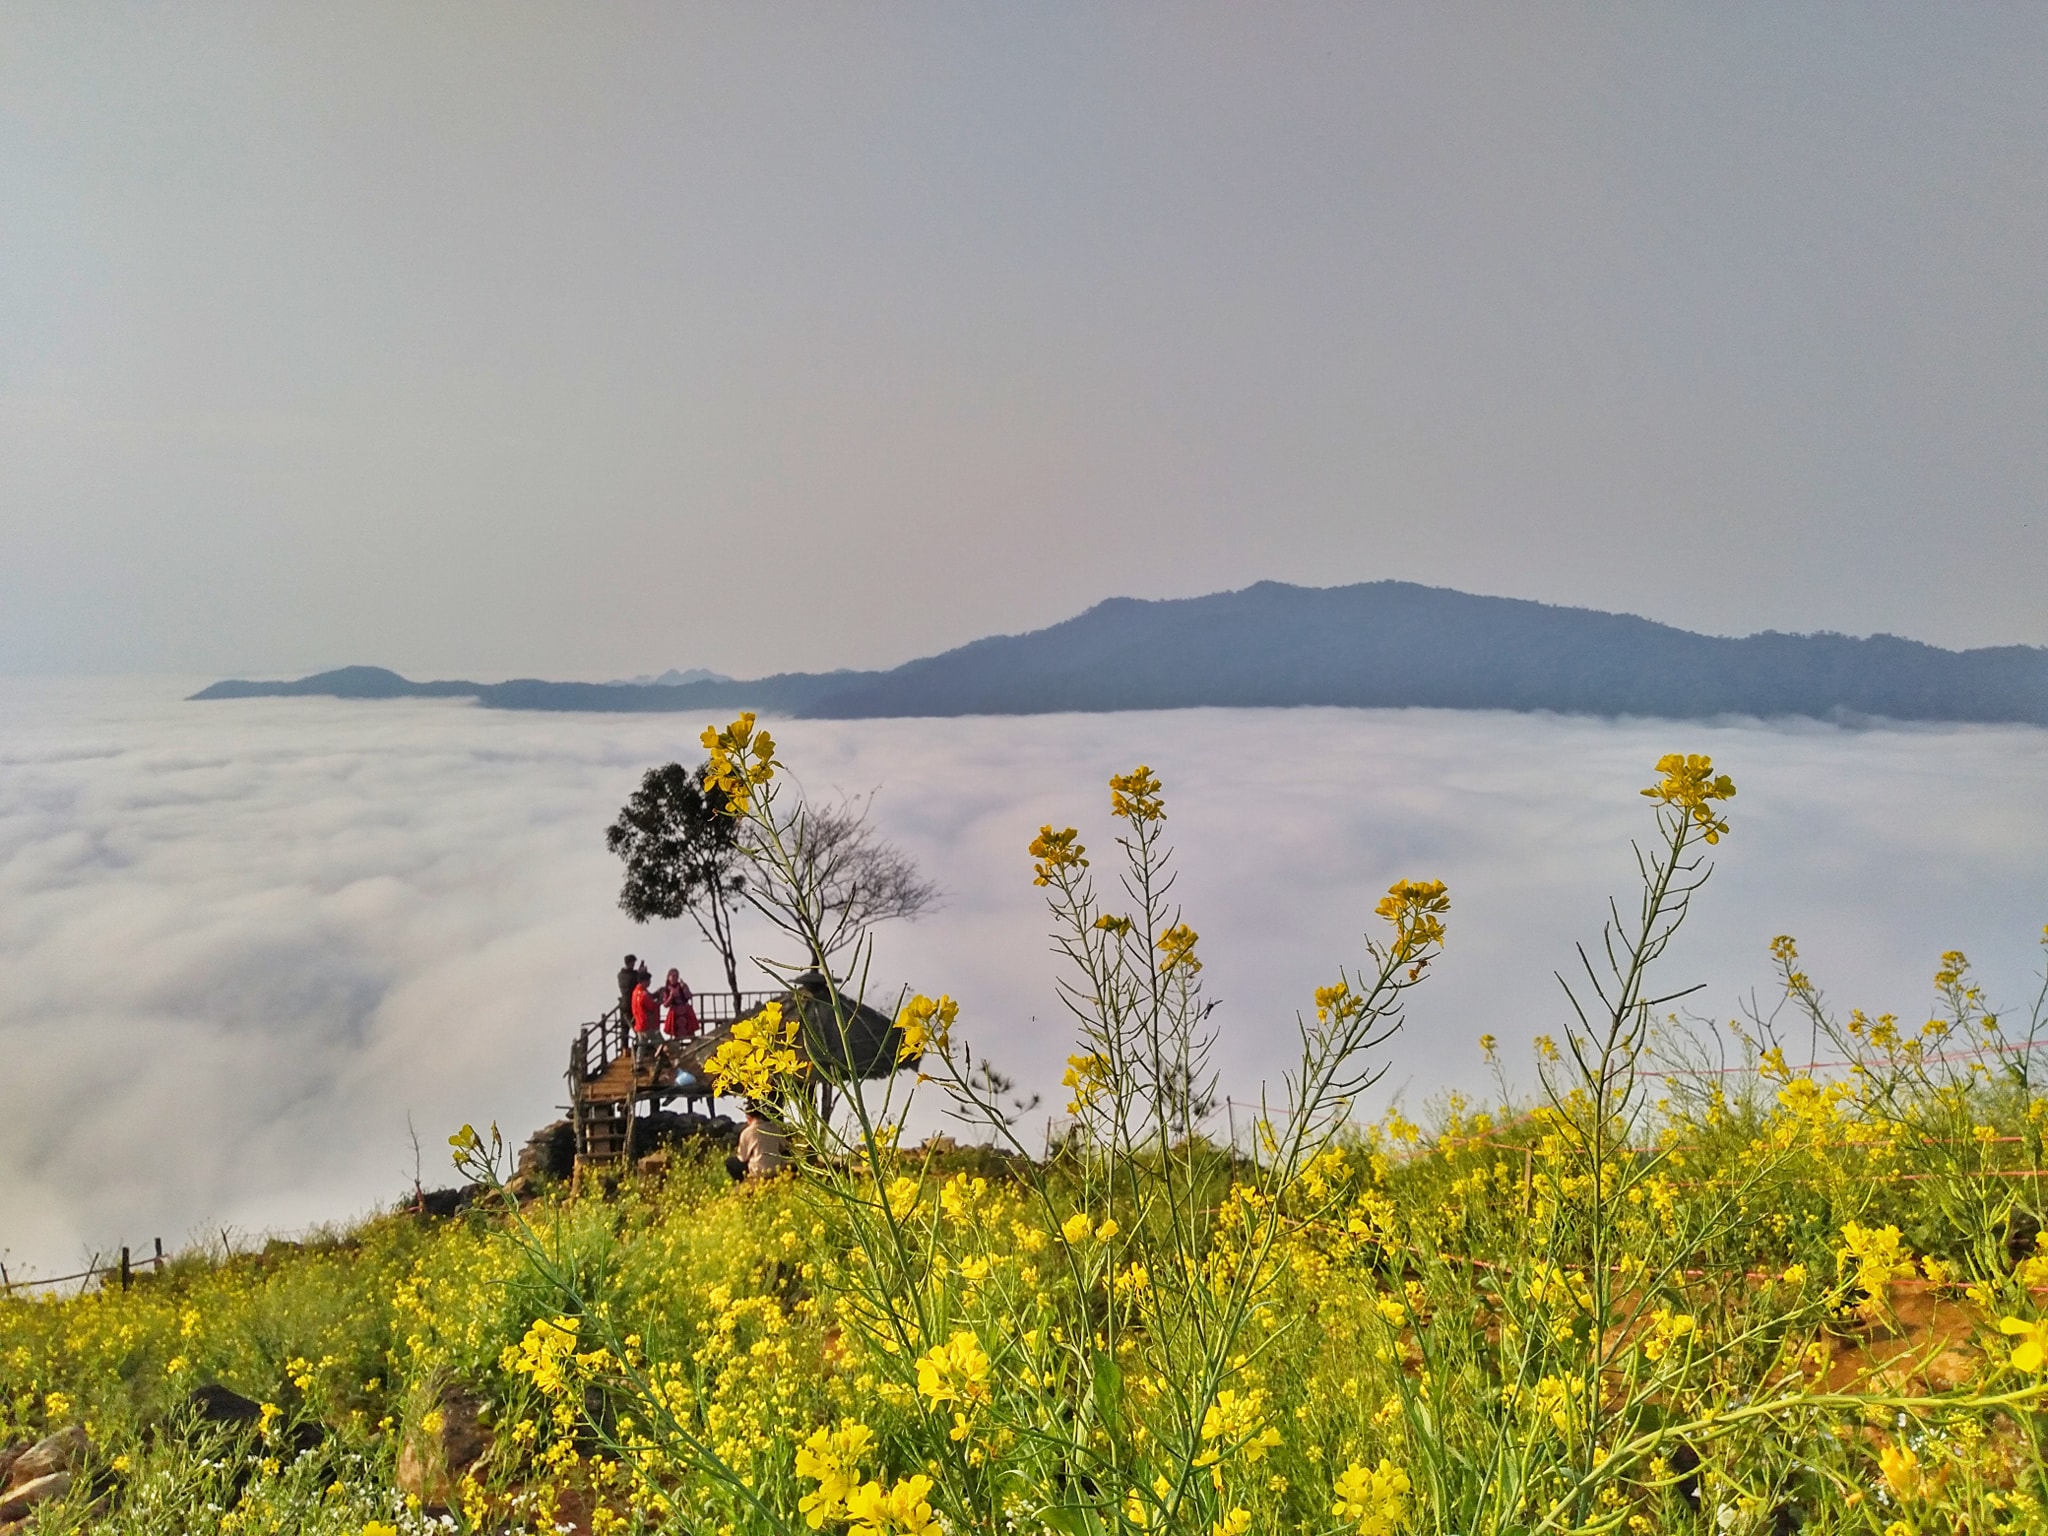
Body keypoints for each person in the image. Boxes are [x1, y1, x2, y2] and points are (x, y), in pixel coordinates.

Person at [730, 1103, 791, 1181]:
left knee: (730, 1162)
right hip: (777, 1167)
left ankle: (744, 1181)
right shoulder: (774, 1127)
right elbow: (784, 1147)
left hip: (758, 1170)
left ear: (748, 1117)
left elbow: (742, 1157)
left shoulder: (747, 1132)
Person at [661, 968, 698, 1039]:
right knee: (675, 1031)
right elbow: (665, 1004)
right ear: (668, 977)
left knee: (690, 1029)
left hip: (685, 1011)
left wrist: (684, 988)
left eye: (676, 976)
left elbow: (689, 996)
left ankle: (694, 1043)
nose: (674, 978)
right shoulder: (666, 989)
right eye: (672, 976)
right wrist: (671, 997)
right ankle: (676, 1046)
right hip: (675, 1013)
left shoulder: (682, 985)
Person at [631, 973, 657, 1065]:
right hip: (646, 1022)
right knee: (658, 1041)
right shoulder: (643, 995)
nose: (649, 983)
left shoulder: (635, 992)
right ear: (644, 981)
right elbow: (652, 1006)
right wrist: (659, 1001)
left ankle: (638, 1061)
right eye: (648, 981)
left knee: (642, 1043)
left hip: (639, 1022)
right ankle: (665, 1058)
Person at [617, 955, 640, 1028]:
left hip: (624, 1003)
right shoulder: (632, 976)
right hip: (631, 1004)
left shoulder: (620, 975)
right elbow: (634, 982)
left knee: (624, 1029)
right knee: (637, 1027)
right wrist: (641, 974)